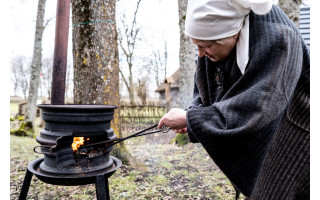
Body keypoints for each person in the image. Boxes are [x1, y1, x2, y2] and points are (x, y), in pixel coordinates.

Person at [158, 0, 310, 199]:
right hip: (271, 121)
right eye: (196, 45)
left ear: (232, 33)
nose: (200, 53)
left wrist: (191, 119)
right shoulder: (218, 39)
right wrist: (193, 113)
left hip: (298, 127)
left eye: (206, 46)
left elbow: (258, 106)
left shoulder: (279, 38)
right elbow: (205, 89)